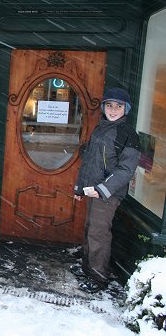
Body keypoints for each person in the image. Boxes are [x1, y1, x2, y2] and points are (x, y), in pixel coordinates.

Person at [70, 87, 141, 293]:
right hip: (93, 190)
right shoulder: (100, 128)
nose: (113, 110)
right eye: (109, 105)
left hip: (108, 194)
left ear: (125, 109)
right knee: (90, 229)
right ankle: (87, 269)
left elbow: (126, 170)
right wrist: (79, 188)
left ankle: (98, 277)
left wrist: (102, 189)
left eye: (118, 106)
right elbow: (89, 162)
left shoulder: (127, 134)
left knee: (98, 234)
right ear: (104, 107)